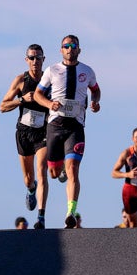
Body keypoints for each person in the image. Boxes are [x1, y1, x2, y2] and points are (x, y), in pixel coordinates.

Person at [33, 34, 100, 229]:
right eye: (66, 46)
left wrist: (95, 101)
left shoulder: (87, 71)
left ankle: (71, 211)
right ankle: (59, 167)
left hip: (75, 127)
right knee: (53, 173)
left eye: (73, 46)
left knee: (73, 169)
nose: (70, 49)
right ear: (61, 49)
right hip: (55, 125)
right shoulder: (52, 70)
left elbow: (96, 90)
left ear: (79, 49)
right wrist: (49, 103)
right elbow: (38, 94)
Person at [0, 44, 51, 228]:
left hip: (43, 132)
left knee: (42, 171)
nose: (35, 61)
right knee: (29, 178)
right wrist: (21, 99)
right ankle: (31, 189)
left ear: (44, 59)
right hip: (24, 133)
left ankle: (41, 217)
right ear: (26, 60)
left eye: (38, 58)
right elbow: (2, 106)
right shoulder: (21, 80)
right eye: (31, 58)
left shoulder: (49, 80)